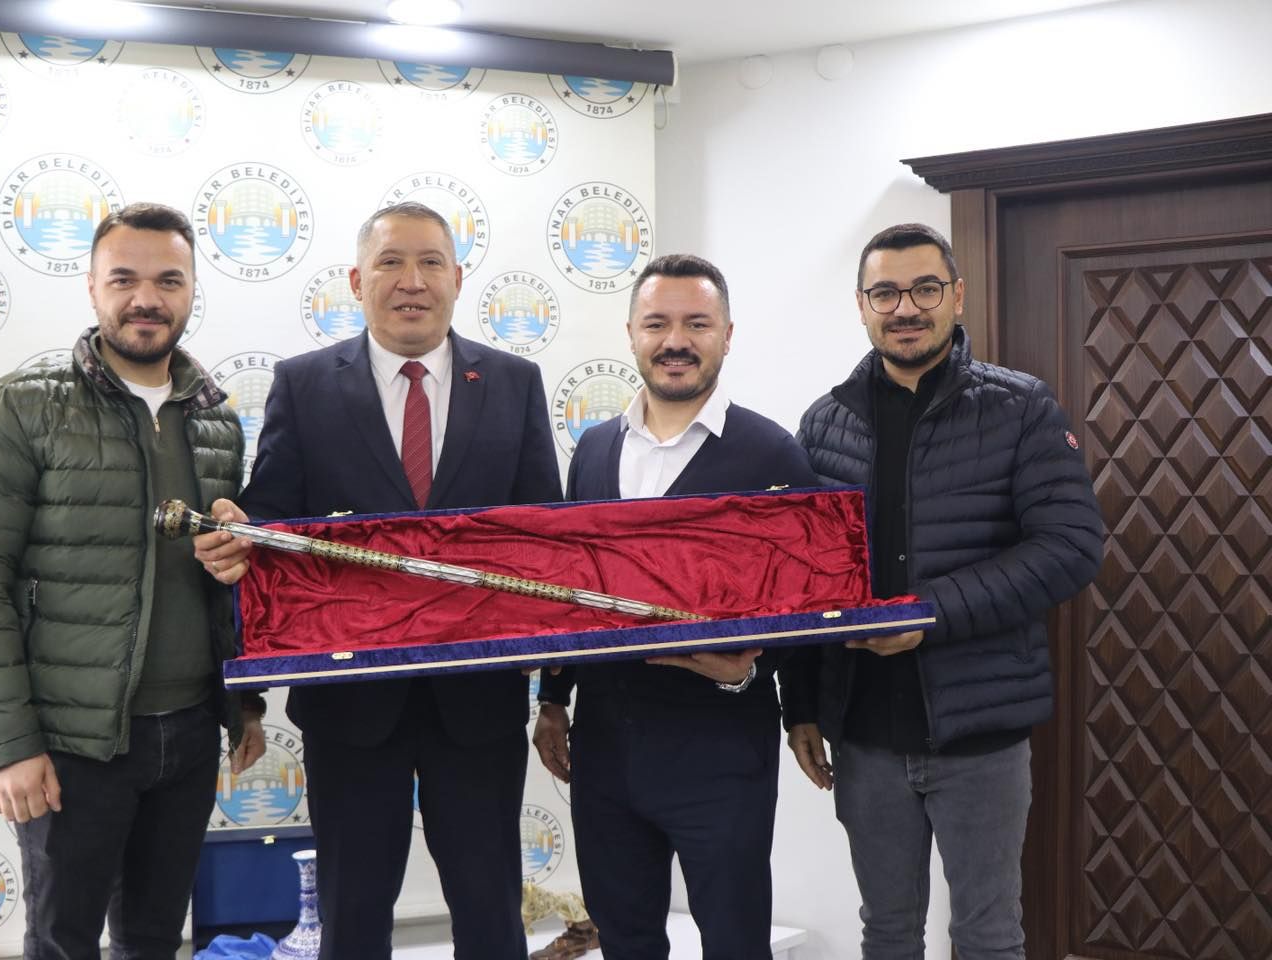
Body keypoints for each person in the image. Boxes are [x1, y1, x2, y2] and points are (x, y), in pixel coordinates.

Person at [196, 202, 561, 960]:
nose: (412, 281)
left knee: (491, 909)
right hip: (351, 704)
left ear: (457, 278)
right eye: (391, 262)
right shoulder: (303, 385)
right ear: (359, 280)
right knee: (353, 916)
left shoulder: (515, 382)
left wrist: (556, 686)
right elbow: (273, 531)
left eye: (430, 262)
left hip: (479, 699)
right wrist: (242, 529)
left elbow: (543, 541)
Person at [0, 202, 266, 960]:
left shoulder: (216, 422)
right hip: (72, 746)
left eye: (168, 280)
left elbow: (228, 582)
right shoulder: (20, 406)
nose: (146, 298)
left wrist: (243, 703)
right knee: (63, 943)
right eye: (124, 279)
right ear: (92, 287)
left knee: (154, 940)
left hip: (190, 734)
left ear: (192, 290)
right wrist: (8, 746)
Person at [782, 223, 1103, 960]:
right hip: (864, 733)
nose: (906, 308)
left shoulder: (1019, 408)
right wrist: (798, 704)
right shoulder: (824, 424)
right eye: (885, 293)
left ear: (956, 296)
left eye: (925, 289)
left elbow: (1070, 547)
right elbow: (801, 577)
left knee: (987, 936)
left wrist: (929, 614)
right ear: (861, 305)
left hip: (980, 734)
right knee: (887, 932)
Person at [531, 254, 819, 960]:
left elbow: (807, 603)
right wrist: (553, 701)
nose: (676, 341)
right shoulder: (594, 450)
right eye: (657, 323)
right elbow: (571, 588)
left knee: (734, 942)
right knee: (625, 939)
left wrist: (763, 685)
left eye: (697, 323)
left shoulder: (773, 455)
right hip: (606, 750)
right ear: (632, 332)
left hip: (721, 751)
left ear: (727, 334)